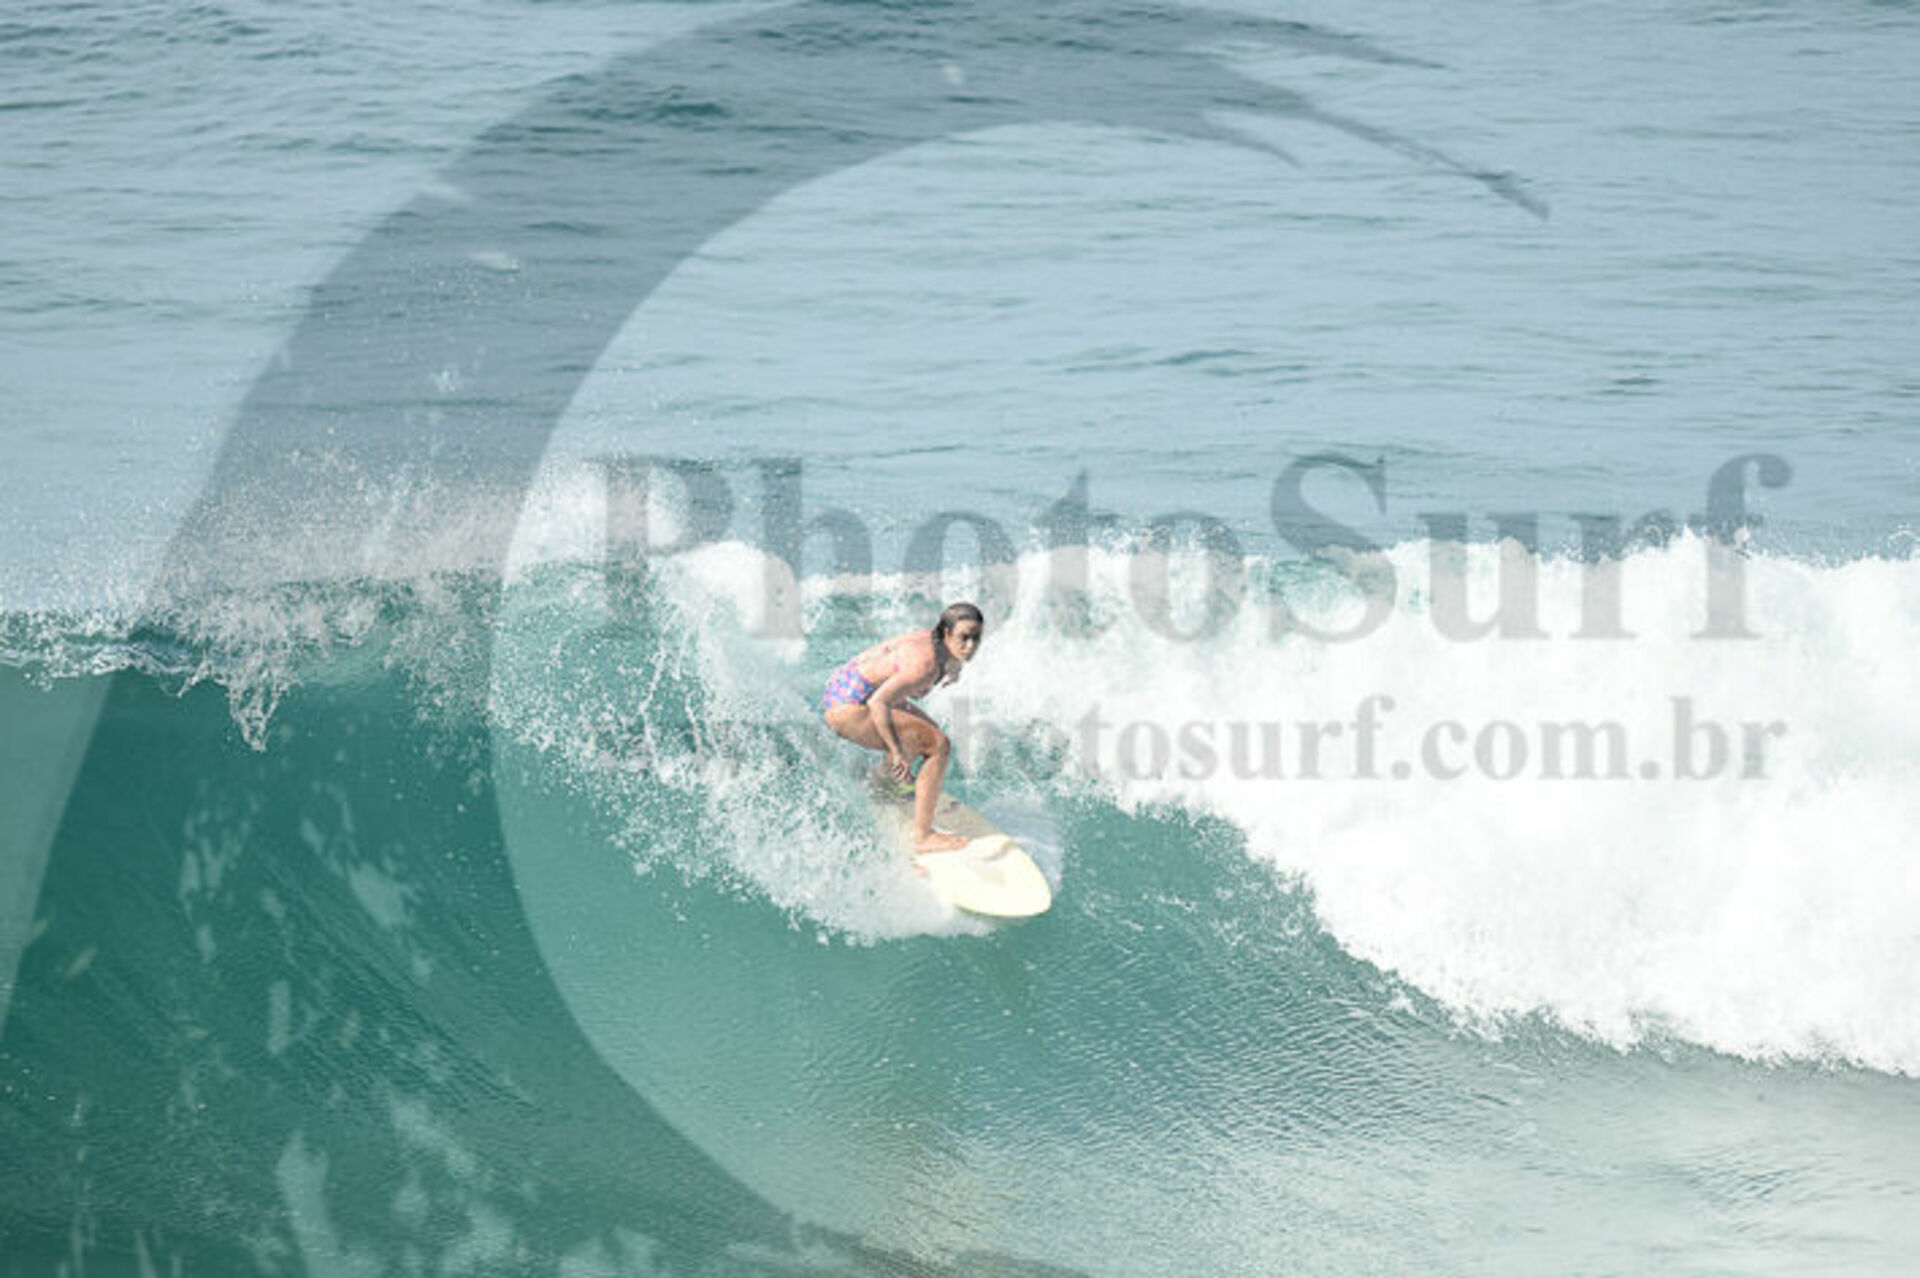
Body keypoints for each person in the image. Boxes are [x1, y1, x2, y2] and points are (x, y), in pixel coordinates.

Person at [822, 602, 984, 854]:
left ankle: (882, 786)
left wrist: (955, 666)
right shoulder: (925, 666)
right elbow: (878, 703)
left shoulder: (929, 639)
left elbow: (883, 651)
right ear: (947, 633)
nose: (970, 646)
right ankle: (922, 837)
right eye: (964, 638)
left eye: (976, 638)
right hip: (848, 708)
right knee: (939, 746)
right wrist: (896, 751)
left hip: (841, 688)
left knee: (928, 731)